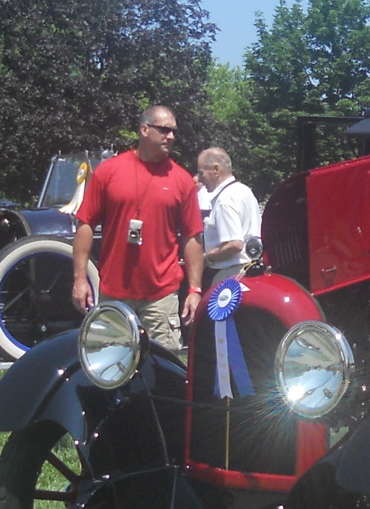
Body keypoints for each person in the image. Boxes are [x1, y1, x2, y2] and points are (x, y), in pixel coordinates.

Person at [72, 106, 204, 355]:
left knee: (164, 369)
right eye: (164, 130)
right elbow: (85, 223)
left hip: (161, 296)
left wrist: (195, 289)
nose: (171, 136)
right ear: (144, 130)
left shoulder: (182, 179)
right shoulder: (109, 171)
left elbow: (192, 236)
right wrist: (80, 279)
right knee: (111, 367)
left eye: (174, 131)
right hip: (114, 294)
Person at [195, 147, 259, 289]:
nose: (199, 179)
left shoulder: (225, 200)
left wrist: (205, 258)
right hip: (250, 271)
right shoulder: (245, 191)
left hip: (229, 275)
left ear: (216, 170)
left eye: (201, 173)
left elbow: (234, 244)